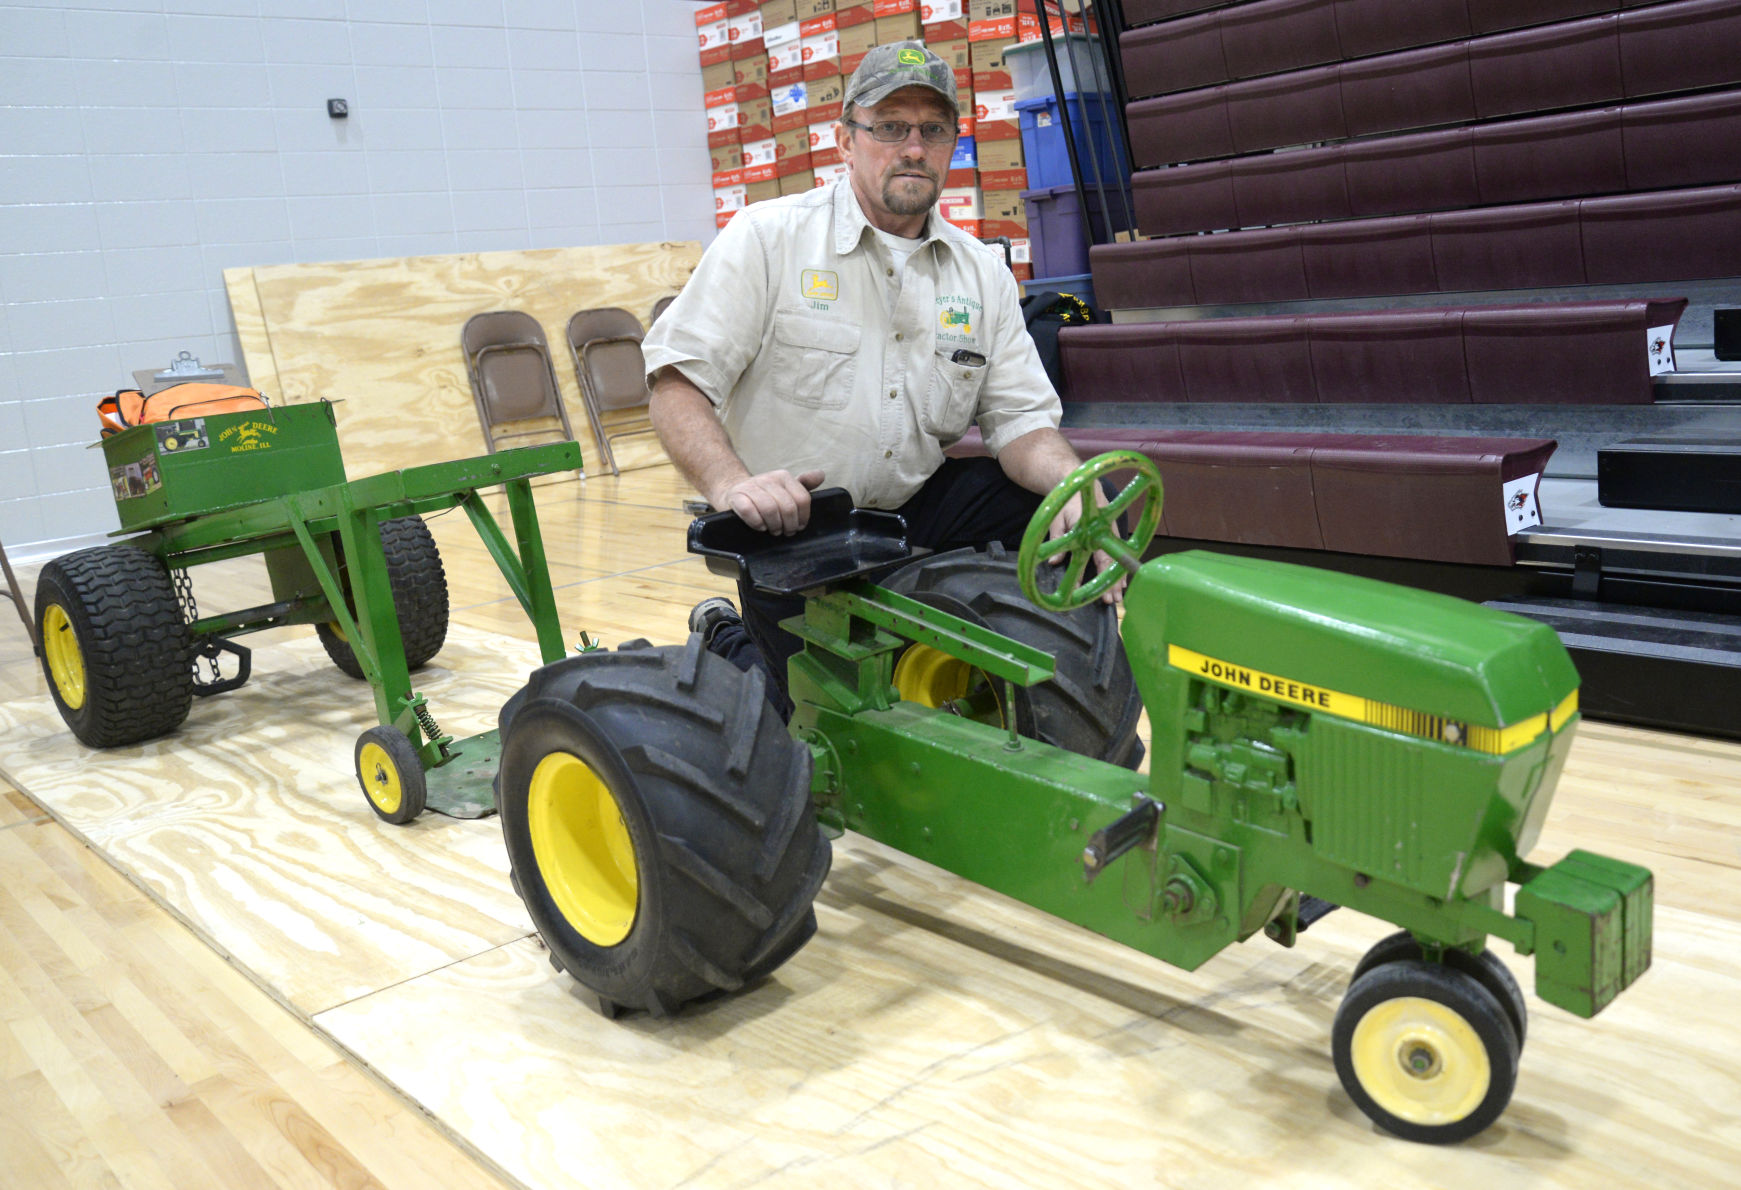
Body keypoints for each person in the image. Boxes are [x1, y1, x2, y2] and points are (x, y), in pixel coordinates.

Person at [642, 41, 1117, 716]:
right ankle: (725, 634)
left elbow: (1020, 425)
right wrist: (732, 486)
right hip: (795, 530)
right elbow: (675, 383)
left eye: (932, 129)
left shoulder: (980, 271)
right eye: (890, 127)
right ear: (846, 140)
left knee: (1044, 504)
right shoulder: (767, 238)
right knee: (806, 730)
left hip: (911, 513)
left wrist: (1074, 488)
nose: (913, 148)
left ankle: (1026, 669)